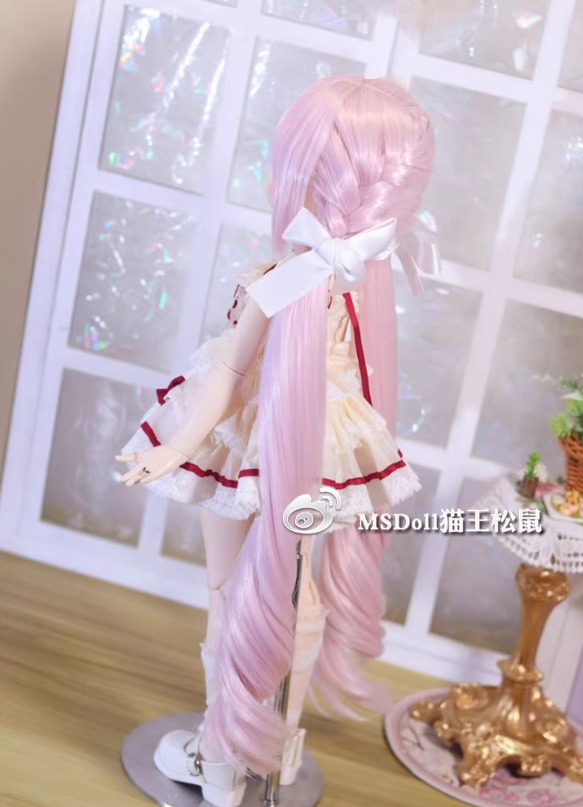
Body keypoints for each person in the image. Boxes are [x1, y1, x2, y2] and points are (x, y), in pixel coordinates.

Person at [116, 75, 434, 807]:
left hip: (250, 442)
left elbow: (229, 376)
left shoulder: (280, 277)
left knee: (232, 590)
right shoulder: (365, 280)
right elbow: (355, 375)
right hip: (324, 446)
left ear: (298, 179)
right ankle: (278, 749)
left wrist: (174, 447)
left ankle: (221, 755)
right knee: (299, 592)